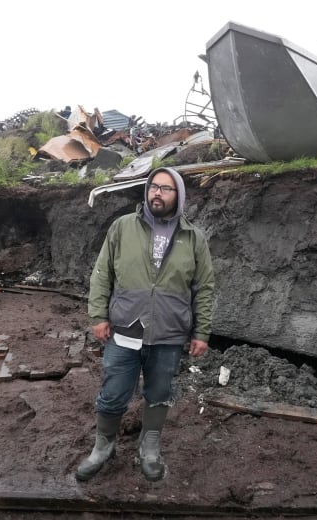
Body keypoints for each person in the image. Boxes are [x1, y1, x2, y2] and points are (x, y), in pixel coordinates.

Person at [77, 166, 215, 482]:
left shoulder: (194, 238)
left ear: (178, 195)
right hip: (125, 327)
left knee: (160, 391)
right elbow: (102, 274)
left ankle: (149, 448)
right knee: (113, 391)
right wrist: (98, 316)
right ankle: (103, 446)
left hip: (169, 332)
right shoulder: (122, 227)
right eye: (154, 186)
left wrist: (202, 332)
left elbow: (204, 287)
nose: (157, 193)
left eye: (166, 189)